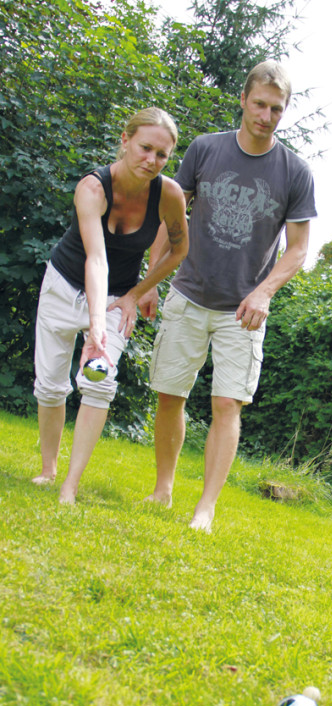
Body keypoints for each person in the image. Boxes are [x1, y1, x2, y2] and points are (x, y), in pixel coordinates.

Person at [145, 61, 317, 531]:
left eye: (276, 108)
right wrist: (151, 282)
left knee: (227, 405)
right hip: (188, 291)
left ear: (285, 111)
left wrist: (263, 292)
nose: (266, 115)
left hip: (244, 311)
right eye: (259, 104)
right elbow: (171, 219)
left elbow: (298, 250)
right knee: (169, 394)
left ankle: (205, 508)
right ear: (243, 100)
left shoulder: (295, 172)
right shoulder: (205, 150)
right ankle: (163, 489)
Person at [32, 107, 189, 504]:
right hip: (64, 287)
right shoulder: (92, 188)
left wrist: (136, 294)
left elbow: (180, 248)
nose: (151, 161)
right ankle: (49, 470)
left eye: (162, 155)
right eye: (145, 148)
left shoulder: (167, 195)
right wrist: (94, 324)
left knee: (97, 382)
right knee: (50, 386)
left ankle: (70, 485)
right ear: (125, 140)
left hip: (118, 297)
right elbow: (96, 259)